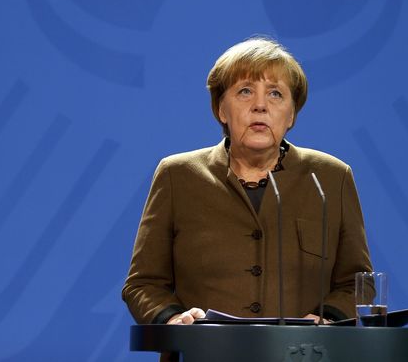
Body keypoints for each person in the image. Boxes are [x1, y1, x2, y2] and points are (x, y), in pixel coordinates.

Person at [122, 37, 372, 329]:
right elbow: (143, 283)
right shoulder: (177, 176)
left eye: (276, 94)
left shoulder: (331, 177)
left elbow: (357, 283)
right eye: (245, 91)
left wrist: (328, 317)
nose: (260, 106)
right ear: (221, 109)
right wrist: (175, 319)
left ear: (291, 114)